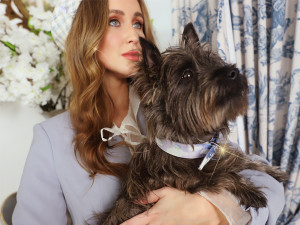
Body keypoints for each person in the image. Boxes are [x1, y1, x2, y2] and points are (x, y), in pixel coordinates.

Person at [12, 0, 285, 224]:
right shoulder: (51, 139)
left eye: (138, 23)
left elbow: (269, 187)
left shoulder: (177, 108)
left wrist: (212, 209)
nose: (134, 35)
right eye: (114, 21)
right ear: (86, 37)